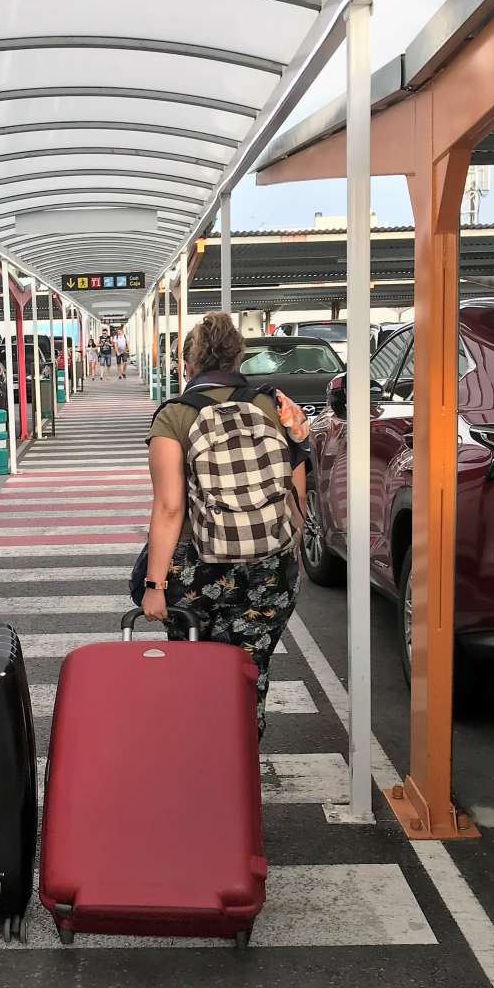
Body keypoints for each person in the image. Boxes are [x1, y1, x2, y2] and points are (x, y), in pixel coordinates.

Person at [141, 312, 308, 736]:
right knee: (251, 670)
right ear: (238, 358)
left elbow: (169, 507)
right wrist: (295, 554)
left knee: (194, 669)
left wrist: (154, 585)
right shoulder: (274, 405)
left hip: (196, 569)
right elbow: (296, 491)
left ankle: (200, 761)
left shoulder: (175, 416)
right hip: (268, 564)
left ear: (188, 363)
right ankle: (241, 766)